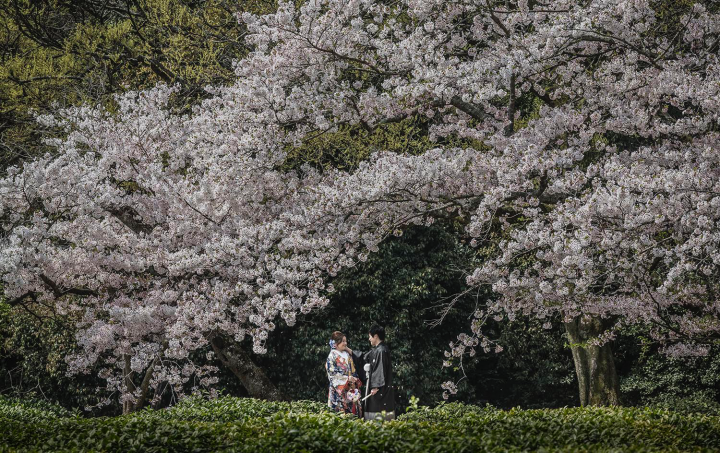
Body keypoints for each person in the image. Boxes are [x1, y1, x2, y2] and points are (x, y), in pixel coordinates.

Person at [348, 324, 396, 421]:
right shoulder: (378, 350)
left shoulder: (381, 350)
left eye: (370, 336)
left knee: (379, 414)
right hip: (379, 388)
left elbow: (380, 369)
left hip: (380, 390)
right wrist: (347, 350)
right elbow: (362, 357)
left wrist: (375, 386)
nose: (369, 339)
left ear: (376, 336)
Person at [325, 331, 363, 416]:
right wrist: (347, 379)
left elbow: (353, 370)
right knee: (340, 416)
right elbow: (332, 375)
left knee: (353, 416)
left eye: (345, 341)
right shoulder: (332, 356)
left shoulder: (347, 354)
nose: (345, 343)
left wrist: (355, 379)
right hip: (338, 391)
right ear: (336, 343)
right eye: (343, 341)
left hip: (351, 389)